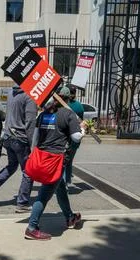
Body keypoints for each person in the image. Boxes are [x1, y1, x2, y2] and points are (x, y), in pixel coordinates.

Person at [24, 86, 87, 240]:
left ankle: (70, 216)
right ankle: (32, 227)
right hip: (56, 160)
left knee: (60, 189)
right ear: (68, 99)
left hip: (42, 157)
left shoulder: (44, 114)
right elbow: (76, 138)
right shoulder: (69, 114)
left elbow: (35, 139)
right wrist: (83, 129)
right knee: (44, 194)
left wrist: (33, 154)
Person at [0, 84, 37, 212]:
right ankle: (22, 203)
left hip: (9, 136)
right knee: (29, 171)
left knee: (11, 166)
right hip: (20, 139)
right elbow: (30, 123)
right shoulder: (29, 96)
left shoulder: (11, 93)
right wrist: (33, 146)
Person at [65, 85, 85, 185]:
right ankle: (67, 180)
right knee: (69, 160)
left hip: (64, 136)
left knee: (63, 161)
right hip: (76, 135)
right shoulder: (79, 106)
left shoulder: (62, 105)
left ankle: (64, 182)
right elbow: (81, 122)